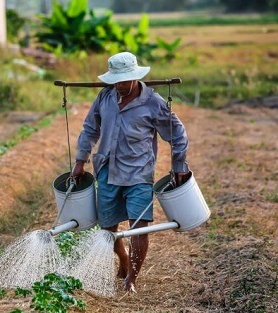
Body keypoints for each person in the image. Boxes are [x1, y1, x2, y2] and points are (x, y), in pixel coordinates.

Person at [71, 51, 190, 293]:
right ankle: (123, 259)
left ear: (135, 77)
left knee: (139, 227)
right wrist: (80, 160)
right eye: (116, 81)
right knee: (108, 230)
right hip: (107, 171)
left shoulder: (153, 103)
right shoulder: (105, 97)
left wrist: (179, 164)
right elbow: (89, 128)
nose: (120, 85)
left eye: (125, 80)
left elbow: (177, 134)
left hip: (139, 173)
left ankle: (131, 280)